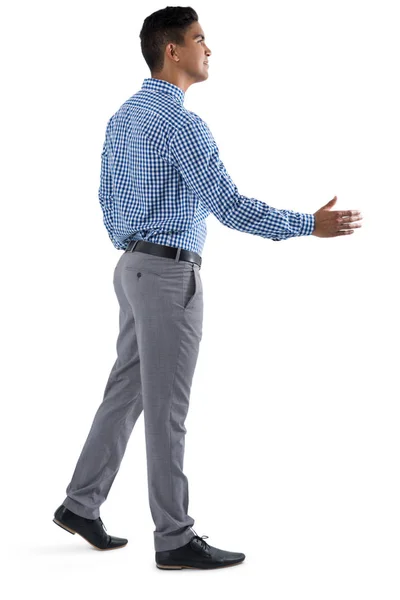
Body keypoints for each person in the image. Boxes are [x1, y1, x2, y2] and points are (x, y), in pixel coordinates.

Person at [53, 6, 363, 569]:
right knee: (166, 408)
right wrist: (307, 225)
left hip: (132, 268)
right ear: (173, 50)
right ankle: (173, 537)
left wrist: (135, 248)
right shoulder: (181, 123)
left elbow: (103, 199)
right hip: (169, 275)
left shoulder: (122, 117)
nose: (209, 49)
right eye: (200, 40)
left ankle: (80, 503)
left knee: (126, 393)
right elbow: (228, 205)